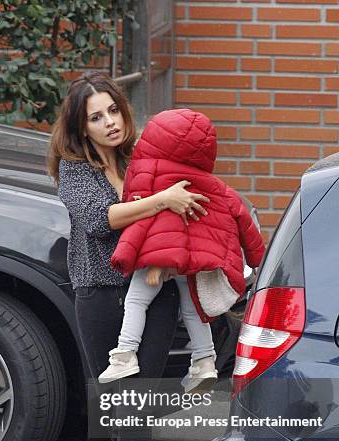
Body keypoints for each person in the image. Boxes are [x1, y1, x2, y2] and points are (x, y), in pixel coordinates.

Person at [47, 71, 210, 441]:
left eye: (113, 110)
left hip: (154, 293)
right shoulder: (74, 169)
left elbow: (192, 196)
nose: (109, 122)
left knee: (134, 407)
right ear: (81, 128)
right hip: (99, 294)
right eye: (96, 117)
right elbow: (101, 219)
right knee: (121, 407)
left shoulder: (145, 153)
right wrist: (162, 201)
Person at [98, 108, 265, 393]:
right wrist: (259, 261)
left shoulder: (153, 176)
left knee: (137, 301)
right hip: (195, 264)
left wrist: (148, 262)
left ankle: (125, 354)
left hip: (160, 259)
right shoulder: (216, 187)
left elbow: (151, 222)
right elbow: (245, 223)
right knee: (194, 310)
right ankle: (204, 361)